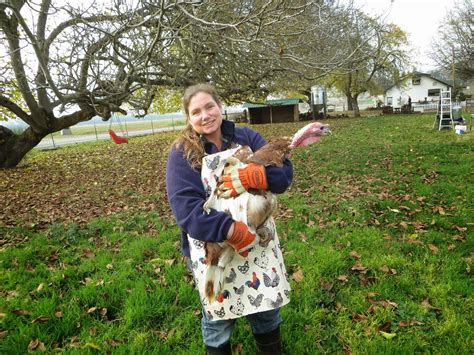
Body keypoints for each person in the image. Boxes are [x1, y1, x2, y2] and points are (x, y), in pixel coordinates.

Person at [166, 83, 293, 354]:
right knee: (218, 318)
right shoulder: (182, 153)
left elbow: (283, 177)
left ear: (220, 106)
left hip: (257, 244)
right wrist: (230, 230)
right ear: (189, 117)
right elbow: (186, 210)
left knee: (265, 310)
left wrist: (259, 176)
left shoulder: (246, 138)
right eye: (196, 111)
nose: (205, 115)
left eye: (210, 106)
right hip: (212, 247)